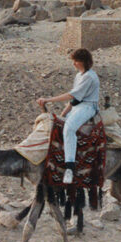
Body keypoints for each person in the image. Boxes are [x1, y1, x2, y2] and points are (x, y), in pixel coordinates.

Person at [37, 48, 100, 184]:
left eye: (76, 61)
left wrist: (48, 99)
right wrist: (63, 113)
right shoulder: (79, 76)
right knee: (57, 123)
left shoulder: (90, 76)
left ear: (83, 61)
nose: (74, 64)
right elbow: (75, 100)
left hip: (88, 107)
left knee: (69, 128)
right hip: (78, 107)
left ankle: (69, 168)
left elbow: (72, 95)